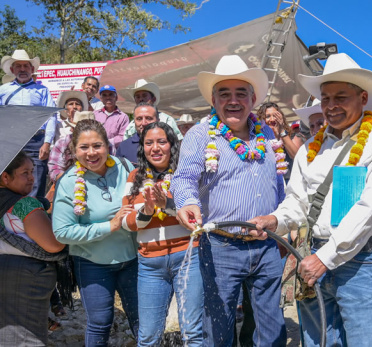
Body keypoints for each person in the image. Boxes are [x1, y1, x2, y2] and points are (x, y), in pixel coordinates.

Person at [250, 53, 372, 347]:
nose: (331, 105)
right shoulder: (311, 146)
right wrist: (275, 220)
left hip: (361, 262)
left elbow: (371, 209)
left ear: (362, 98)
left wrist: (325, 257)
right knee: (319, 342)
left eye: (340, 97)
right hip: (313, 257)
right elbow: (297, 201)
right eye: (325, 97)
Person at [170, 54, 286, 346]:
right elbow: (183, 178)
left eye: (241, 93)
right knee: (218, 328)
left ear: (253, 98)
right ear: (213, 98)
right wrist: (186, 202)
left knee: (271, 329)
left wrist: (285, 227)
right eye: (225, 93)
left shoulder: (268, 134)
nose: (233, 100)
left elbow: (278, 183)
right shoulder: (200, 134)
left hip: (267, 243)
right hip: (221, 246)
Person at [52, 120, 138, 346]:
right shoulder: (69, 182)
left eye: (97, 145)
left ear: (108, 146)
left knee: (142, 320)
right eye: (84, 147)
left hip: (132, 261)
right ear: (74, 150)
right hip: (92, 263)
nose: (91, 153)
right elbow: (62, 232)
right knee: (100, 322)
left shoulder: (125, 167)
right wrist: (109, 226)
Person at [122, 122, 203, 346]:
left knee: (193, 333)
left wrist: (166, 204)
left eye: (161, 142)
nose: (155, 148)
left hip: (188, 258)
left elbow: (197, 217)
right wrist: (146, 212)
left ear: (172, 145)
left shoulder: (184, 174)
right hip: (150, 264)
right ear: (142, 147)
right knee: (148, 336)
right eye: (149, 143)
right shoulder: (134, 177)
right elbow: (126, 222)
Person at [0, 151, 66, 346]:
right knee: (29, 336)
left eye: (32, 171)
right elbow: (53, 245)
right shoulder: (25, 204)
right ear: (5, 177)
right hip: (27, 276)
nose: (32, 178)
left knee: (7, 331)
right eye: (25, 173)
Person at [0, 49, 57, 199]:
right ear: (12, 70)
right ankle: (10, 216)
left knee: (35, 179)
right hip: (10, 141)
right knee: (10, 176)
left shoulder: (42, 90)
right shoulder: (3, 90)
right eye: (18, 66)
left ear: (32, 69)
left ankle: (34, 216)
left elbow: (51, 116)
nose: (23, 69)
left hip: (36, 140)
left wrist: (47, 143)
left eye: (26, 66)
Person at [258, 102, 305, 182]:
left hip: (288, 180)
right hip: (266, 180)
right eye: (268, 116)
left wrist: (281, 131)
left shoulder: (288, 136)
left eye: (275, 116)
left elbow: (296, 156)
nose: (272, 119)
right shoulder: (259, 139)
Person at [48, 111, 96, 183]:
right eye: (80, 130)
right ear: (72, 129)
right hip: (66, 182)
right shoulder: (62, 143)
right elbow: (55, 170)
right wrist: (71, 182)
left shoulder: (104, 144)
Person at [116, 103, 158, 167]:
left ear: (158, 120)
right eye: (139, 119)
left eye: (149, 118)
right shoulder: (124, 146)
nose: (144, 123)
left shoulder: (167, 145)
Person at [93, 85, 129, 152]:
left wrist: (106, 142)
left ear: (116, 97)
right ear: (101, 98)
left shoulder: (123, 117)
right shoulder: (95, 114)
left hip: (114, 153)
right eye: (104, 95)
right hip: (96, 151)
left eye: (111, 95)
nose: (108, 97)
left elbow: (122, 136)